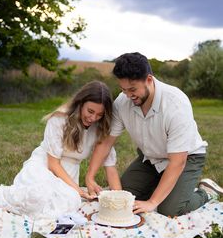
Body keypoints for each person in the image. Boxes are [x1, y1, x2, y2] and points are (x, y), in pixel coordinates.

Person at [85, 52, 223, 217]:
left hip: (187, 158)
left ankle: (206, 192)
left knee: (168, 209)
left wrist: (152, 202)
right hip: (150, 158)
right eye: (123, 90)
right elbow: (106, 142)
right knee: (125, 195)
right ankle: (165, 186)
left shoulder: (175, 104)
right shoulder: (122, 102)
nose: (128, 95)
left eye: (133, 89)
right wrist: (90, 176)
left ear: (149, 80)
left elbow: (178, 161)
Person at [0, 81, 121, 220]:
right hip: (43, 166)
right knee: (39, 194)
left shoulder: (100, 127)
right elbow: (53, 164)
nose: (93, 118)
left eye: (99, 114)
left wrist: (121, 200)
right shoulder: (60, 118)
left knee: (68, 203)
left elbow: (110, 164)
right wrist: (79, 190)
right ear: (80, 103)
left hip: (68, 175)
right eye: (90, 111)